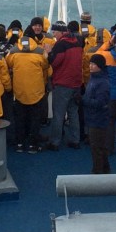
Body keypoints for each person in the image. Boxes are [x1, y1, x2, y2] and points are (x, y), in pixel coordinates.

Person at [7, 35, 51, 153]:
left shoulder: (13, 53)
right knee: (35, 120)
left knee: (20, 120)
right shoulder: (40, 53)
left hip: (19, 92)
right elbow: (46, 65)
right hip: (36, 92)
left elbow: (8, 64)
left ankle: (20, 144)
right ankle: (33, 145)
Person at [47, 21, 85, 151]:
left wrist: (49, 53)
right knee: (73, 113)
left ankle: (55, 142)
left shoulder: (60, 45)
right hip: (76, 83)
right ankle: (75, 140)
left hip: (63, 84)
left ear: (62, 32)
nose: (54, 35)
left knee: (58, 114)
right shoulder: (77, 42)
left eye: (55, 32)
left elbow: (55, 62)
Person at [83, 54, 114, 173]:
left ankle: (97, 173)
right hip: (93, 118)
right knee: (99, 147)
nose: (90, 66)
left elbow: (100, 103)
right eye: (90, 63)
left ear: (100, 66)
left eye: (93, 64)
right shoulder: (95, 78)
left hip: (98, 120)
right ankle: (105, 170)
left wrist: (83, 100)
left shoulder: (102, 83)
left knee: (96, 148)